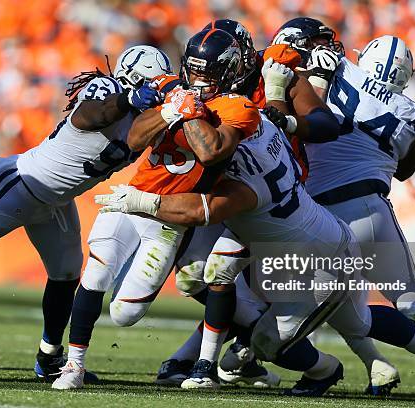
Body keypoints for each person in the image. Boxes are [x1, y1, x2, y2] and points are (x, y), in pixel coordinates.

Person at [95, 111, 415, 402]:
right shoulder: (263, 132)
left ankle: (324, 370)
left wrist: (144, 201)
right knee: (358, 322)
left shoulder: (244, 182)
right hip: (317, 236)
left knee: (266, 342)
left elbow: (199, 211)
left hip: (320, 267)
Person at [0, 44, 171, 383]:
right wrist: (129, 99)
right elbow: (88, 116)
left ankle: (49, 357)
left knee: (66, 275)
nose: (157, 92)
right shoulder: (108, 90)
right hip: (22, 184)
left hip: (56, 203)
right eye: (153, 84)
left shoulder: (145, 120)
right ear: (136, 80)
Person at [51, 28, 261, 390]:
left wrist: (189, 110)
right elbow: (134, 139)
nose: (198, 80)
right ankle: (74, 365)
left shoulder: (237, 108)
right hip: (131, 199)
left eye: (207, 74)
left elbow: (211, 151)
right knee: (96, 273)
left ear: (228, 73)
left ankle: (245, 341)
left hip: (169, 219)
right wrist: (168, 110)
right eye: (194, 71)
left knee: (125, 314)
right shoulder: (177, 91)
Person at [156, 18, 341, 389]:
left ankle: (209, 361)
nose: (204, 80)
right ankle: (219, 355)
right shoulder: (201, 85)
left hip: (265, 193)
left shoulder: (274, 70)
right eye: (198, 71)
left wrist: (287, 120)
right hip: (229, 186)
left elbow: (326, 123)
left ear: (240, 61)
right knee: (200, 277)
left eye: (216, 69)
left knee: (227, 282)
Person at [272, 22, 415, 395]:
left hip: (319, 209)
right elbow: (406, 169)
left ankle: (241, 353)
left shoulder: (336, 66)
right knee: (408, 294)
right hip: (372, 204)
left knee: (309, 301)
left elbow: (314, 119)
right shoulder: (411, 110)